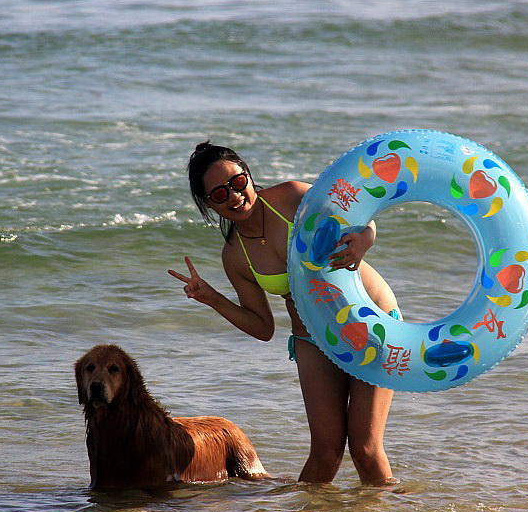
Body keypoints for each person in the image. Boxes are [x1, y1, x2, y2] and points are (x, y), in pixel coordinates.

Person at [168, 142, 400, 485]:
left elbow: (361, 214)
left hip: (369, 318)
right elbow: (262, 327)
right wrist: (212, 298)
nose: (234, 196)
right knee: (325, 454)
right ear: (208, 204)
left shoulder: (292, 197)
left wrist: (365, 239)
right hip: (313, 339)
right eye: (219, 194)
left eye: (237, 182)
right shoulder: (235, 255)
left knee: (365, 450)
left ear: (248, 175)